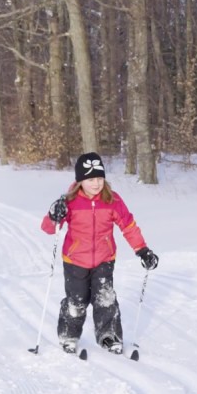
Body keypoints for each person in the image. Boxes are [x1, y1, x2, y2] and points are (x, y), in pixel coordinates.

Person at [40, 152, 158, 355]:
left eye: (99, 178)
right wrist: (53, 215)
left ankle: (109, 335)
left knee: (105, 299)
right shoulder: (69, 201)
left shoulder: (112, 200)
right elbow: (49, 228)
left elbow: (128, 226)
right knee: (76, 301)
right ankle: (69, 335)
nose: (96, 184)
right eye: (91, 179)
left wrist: (142, 250)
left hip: (104, 259)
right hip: (75, 260)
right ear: (80, 181)